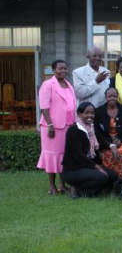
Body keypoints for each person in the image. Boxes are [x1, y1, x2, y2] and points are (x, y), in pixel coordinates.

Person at [37, 59, 77, 195]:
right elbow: (44, 107)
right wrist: (50, 124)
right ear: (54, 70)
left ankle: (61, 184)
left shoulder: (69, 85)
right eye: (60, 68)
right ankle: (52, 186)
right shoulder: (48, 84)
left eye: (65, 68)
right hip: (52, 127)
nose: (63, 71)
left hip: (68, 125)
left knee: (64, 156)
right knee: (52, 156)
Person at [61, 102, 118, 198]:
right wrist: (98, 167)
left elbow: (102, 141)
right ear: (79, 114)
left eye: (92, 113)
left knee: (113, 176)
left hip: (87, 167)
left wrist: (112, 146)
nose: (90, 115)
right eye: (86, 113)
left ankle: (81, 188)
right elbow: (78, 155)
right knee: (102, 177)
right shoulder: (73, 130)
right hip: (73, 169)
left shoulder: (91, 129)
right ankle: (77, 190)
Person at [94, 88, 122, 178]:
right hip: (105, 142)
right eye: (109, 96)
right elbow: (97, 132)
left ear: (118, 97)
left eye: (114, 96)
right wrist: (110, 144)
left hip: (121, 141)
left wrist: (120, 140)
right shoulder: (99, 111)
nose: (112, 98)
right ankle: (111, 178)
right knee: (108, 153)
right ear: (105, 97)